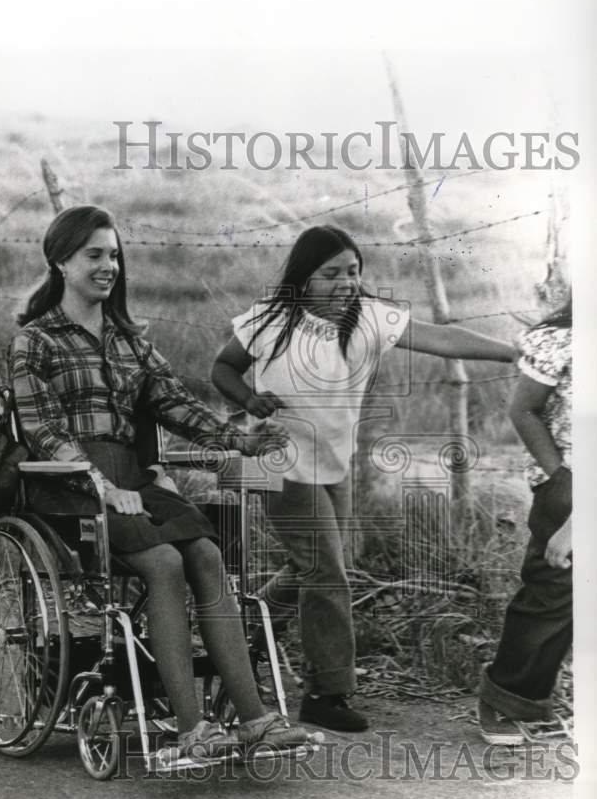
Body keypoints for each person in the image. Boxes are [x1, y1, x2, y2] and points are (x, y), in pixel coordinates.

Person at [8, 205, 313, 765]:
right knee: (164, 563)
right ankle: (192, 729)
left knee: (203, 553)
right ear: (61, 262)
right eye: (94, 255)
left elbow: (173, 403)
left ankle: (255, 721)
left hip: (134, 479)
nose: (109, 266)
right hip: (68, 484)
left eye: (115, 255)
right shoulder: (36, 342)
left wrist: (236, 440)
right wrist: (98, 482)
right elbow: (41, 429)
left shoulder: (130, 341)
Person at [212, 225, 517, 734]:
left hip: (332, 463)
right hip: (275, 460)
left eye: (353, 272)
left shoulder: (370, 318)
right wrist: (247, 400)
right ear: (303, 279)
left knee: (327, 564)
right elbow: (222, 368)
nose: (345, 283)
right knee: (326, 570)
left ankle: (244, 626)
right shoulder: (269, 320)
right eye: (330, 274)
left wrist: (514, 352)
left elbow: (442, 339)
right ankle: (326, 692)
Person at [477, 292, 572, 744]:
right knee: (555, 588)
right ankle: (510, 698)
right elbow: (524, 409)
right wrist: (561, 477)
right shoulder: (563, 340)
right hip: (572, 479)